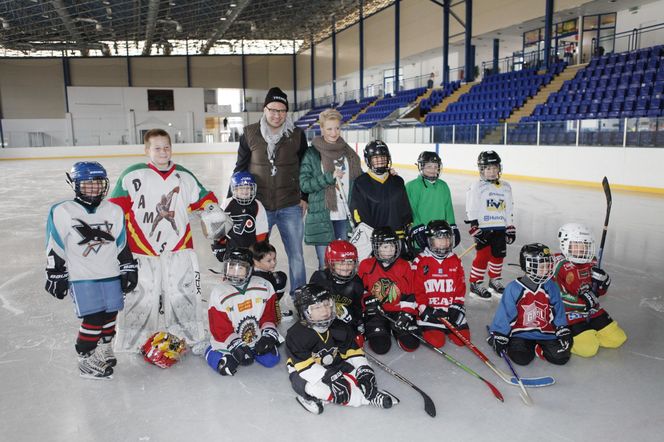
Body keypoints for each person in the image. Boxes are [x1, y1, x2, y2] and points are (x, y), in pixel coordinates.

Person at [109, 128, 219, 352]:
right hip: (140, 250)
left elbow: (205, 200)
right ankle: (135, 342)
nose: (163, 152)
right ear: (146, 150)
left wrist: (212, 211)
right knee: (141, 296)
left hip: (179, 247)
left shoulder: (184, 175)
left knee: (182, 293)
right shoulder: (132, 174)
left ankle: (188, 338)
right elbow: (115, 209)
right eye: (157, 148)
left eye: (167, 147)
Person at [45, 162, 138, 379]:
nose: (94, 188)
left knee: (110, 313)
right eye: (87, 184)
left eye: (97, 183)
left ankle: (104, 347)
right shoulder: (62, 211)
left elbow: (122, 243)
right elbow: (55, 243)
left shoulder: (114, 210)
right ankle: (85, 358)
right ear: (75, 184)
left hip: (110, 273)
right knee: (93, 318)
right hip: (82, 276)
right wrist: (54, 272)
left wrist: (128, 266)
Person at [232, 87, 308, 304]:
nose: (277, 115)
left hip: (290, 205)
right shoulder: (249, 133)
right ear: (264, 109)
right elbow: (240, 168)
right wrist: (234, 201)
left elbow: (306, 168)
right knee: (255, 253)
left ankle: (300, 297)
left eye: (282, 110)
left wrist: (306, 196)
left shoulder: (297, 135)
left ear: (287, 112)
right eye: (273, 109)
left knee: (296, 255)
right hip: (260, 207)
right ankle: (256, 295)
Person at [286, 284, 397, 414]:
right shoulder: (296, 335)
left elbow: (352, 352)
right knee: (316, 388)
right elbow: (304, 366)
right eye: (317, 307)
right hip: (304, 371)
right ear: (304, 311)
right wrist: (329, 377)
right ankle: (367, 398)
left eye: (327, 304)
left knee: (361, 376)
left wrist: (364, 369)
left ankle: (359, 393)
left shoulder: (339, 326)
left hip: (334, 364)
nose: (325, 311)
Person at [488, 243, 571, 366]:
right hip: (521, 332)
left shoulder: (551, 286)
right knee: (521, 358)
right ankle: (529, 346)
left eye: (548, 266)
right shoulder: (513, 288)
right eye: (542, 267)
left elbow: (557, 310)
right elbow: (505, 313)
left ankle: (539, 348)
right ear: (528, 266)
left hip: (546, 333)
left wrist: (562, 328)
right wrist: (500, 334)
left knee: (561, 358)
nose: (547, 270)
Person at [300, 108, 363, 269]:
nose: (334, 133)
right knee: (325, 264)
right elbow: (304, 184)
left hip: (344, 216)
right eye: (329, 128)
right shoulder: (312, 154)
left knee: (343, 263)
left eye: (337, 128)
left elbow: (361, 180)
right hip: (323, 217)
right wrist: (328, 178)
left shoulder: (349, 152)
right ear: (321, 129)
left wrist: (385, 173)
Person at [553, 223, 627, 357]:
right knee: (588, 349)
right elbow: (555, 297)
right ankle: (559, 334)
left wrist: (602, 284)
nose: (582, 249)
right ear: (565, 244)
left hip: (591, 310)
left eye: (585, 245)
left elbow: (597, 292)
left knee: (617, 338)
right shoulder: (558, 265)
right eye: (577, 244)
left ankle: (588, 329)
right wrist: (582, 302)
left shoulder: (592, 261)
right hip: (569, 314)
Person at [204, 248, 280, 376]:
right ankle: (210, 351)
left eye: (240, 268)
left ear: (250, 269)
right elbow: (219, 327)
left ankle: (254, 346)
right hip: (228, 341)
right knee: (227, 366)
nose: (234, 273)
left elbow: (269, 316)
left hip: (256, 338)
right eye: (231, 267)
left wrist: (267, 336)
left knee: (271, 360)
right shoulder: (219, 293)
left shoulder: (264, 286)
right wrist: (236, 345)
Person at [357, 227, 419, 355]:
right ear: (376, 247)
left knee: (411, 344)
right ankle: (384, 328)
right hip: (377, 313)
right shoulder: (366, 265)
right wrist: (367, 302)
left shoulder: (404, 265)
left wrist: (405, 315)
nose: (390, 250)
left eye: (392, 246)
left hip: (398, 311)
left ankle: (393, 328)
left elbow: (410, 294)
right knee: (381, 348)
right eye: (385, 247)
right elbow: (360, 292)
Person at [350, 140, 412, 260]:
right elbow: (359, 215)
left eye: (383, 157)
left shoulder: (398, 181)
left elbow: (405, 210)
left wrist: (408, 229)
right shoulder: (361, 183)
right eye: (376, 158)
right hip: (374, 241)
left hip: (396, 238)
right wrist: (370, 236)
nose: (380, 161)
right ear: (369, 160)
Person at [465, 150, 515, 300]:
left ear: (499, 168)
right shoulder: (477, 186)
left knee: (498, 256)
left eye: (494, 168)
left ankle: (494, 281)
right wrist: (474, 227)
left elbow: (509, 209)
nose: (492, 172)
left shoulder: (506, 186)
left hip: (500, 227)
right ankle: (475, 283)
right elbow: (471, 206)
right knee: (482, 257)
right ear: (481, 170)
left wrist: (510, 227)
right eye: (488, 168)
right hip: (484, 228)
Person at [412, 220, 469, 348]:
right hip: (431, 311)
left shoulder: (455, 260)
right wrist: (425, 309)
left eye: (447, 238)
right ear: (430, 240)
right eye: (439, 239)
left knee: (463, 340)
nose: (444, 242)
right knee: (437, 342)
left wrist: (456, 306)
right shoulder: (420, 260)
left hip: (450, 309)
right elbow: (416, 290)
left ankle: (449, 323)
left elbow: (460, 287)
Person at [406, 151, 460, 253]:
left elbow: (448, 209)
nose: (433, 170)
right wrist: (417, 229)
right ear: (421, 167)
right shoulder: (412, 186)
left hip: (440, 237)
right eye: (429, 166)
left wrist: (452, 226)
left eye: (436, 167)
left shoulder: (443, 185)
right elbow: (411, 211)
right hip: (421, 235)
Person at [309, 240, 365, 334]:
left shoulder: (357, 283)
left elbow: (357, 309)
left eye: (350, 262)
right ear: (330, 263)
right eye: (341, 263)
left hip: (344, 323)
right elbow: (309, 306)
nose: (346, 267)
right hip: (322, 321)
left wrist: (354, 320)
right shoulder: (319, 278)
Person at [211, 171, 268, 262]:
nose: (245, 191)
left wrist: (259, 251)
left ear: (253, 189)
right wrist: (219, 245)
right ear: (234, 189)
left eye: (248, 188)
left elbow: (262, 231)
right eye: (241, 188)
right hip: (231, 250)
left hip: (251, 252)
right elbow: (220, 228)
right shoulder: (227, 204)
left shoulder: (258, 205)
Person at [249, 240, 292, 323]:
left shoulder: (253, 270)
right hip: (259, 312)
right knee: (280, 279)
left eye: (274, 258)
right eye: (269, 261)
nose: (274, 262)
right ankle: (274, 314)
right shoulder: (262, 280)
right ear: (256, 262)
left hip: (257, 306)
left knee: (280, 277)